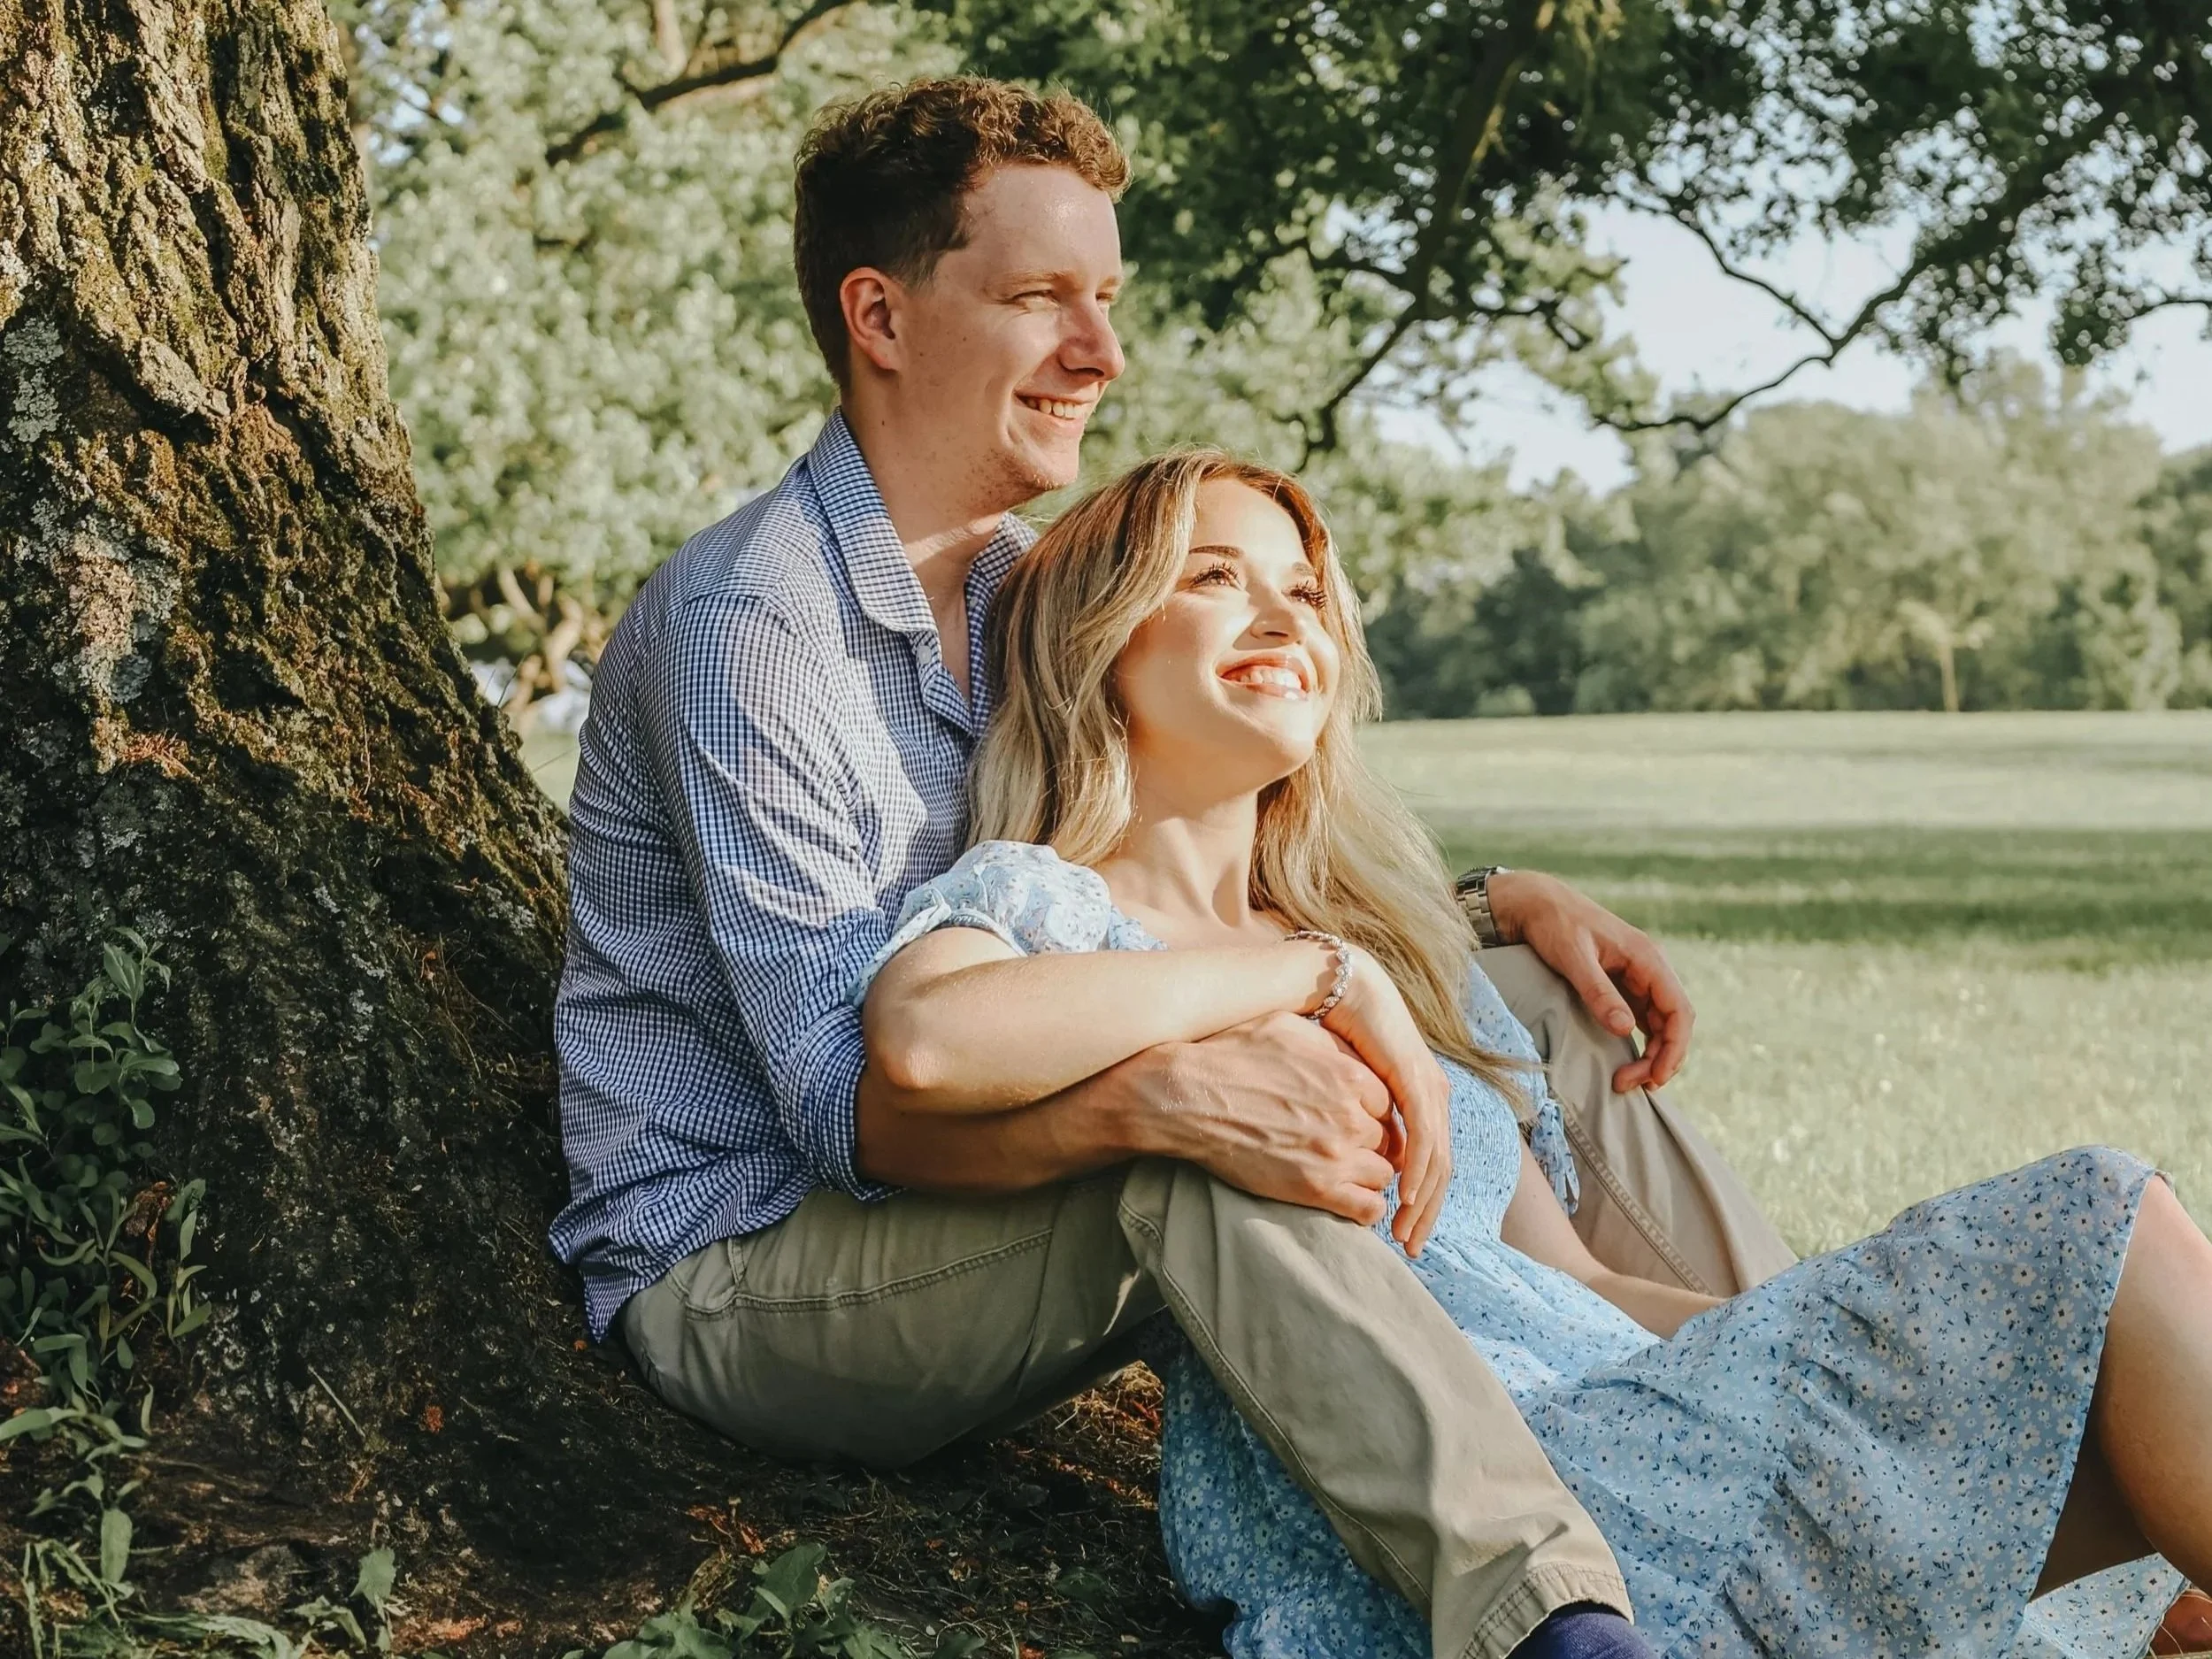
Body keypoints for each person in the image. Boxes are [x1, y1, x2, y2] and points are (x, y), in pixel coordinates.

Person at [549, 74, 1783, 1659]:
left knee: (1540, 996)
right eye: (1040, 298)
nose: (1102, 355)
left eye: (1107, 300)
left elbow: (1145, 863)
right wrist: (1169, 1086)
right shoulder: (754, 622)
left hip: (969, 1179)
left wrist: (1479, 912)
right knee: (1203, 1128)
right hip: (743, 1261)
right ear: (882, 314)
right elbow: (857, 1105)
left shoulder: (1014, 590)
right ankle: (1556, 1625)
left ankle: (1781, 1393)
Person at [851, 449, 2207, 1659]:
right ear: (1099, 639)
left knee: (2103, 1352)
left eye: (1305, 594)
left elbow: (1574, 1283)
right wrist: (1306, 977)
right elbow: (923, 1040)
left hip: (1623, 1419)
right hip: (1451, 1495)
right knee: (2101, 1210)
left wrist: (1832, 1320)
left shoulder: (1398, 956)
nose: (1282, 616)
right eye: (1215, 576)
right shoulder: (1057, 904)